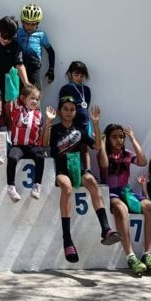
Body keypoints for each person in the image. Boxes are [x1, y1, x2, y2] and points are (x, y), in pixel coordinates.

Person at [43, 98, 118, 264]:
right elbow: (44, 143)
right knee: (67, 188)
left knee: (91, 181)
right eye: (66, 109)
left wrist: (96, 125)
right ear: (60, 111)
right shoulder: (55, 129)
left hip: (78, 169)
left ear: (75, 112)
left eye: (72, 109)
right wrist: (48, 122)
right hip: (61, 170)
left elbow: (97, 147)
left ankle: (105, 229)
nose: (69, 112)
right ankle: (67, 238)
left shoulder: (80, 130)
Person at [100, 123, 151, 275]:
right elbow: (104, 165)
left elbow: (143, 161)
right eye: (114, 137)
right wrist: (101, 143)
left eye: (121, 137)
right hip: (112, 192)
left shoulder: (126, 154)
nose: (119, 140)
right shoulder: (103, 152)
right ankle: (131, 256)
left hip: (126, 191)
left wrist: (132, 139)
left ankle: (148, 254)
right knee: (120, 209)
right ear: (107, 139)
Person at [0, 3, 55, 88]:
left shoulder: (41, 35)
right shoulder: (18, 31)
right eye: (27, 23)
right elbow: (0, 24)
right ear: (22, 22)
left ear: (38, 23)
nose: (30, 26)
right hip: (19, 67)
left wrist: (51, 70)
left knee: (36, 94)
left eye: (33, 24)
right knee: (18, 95)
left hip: (34, 68)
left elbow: (51, 52)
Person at [6, 85, 44, 202]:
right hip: (18, 146)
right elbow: (12, 97)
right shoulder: (17, 109)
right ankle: (11, 187)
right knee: (12, 157)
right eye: (32, 98)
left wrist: (41, 148)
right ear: (23, 99)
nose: (34, 101)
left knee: (40, 157)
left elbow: (40, 132)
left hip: (32, 147)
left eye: (37, 99)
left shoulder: (39, 114)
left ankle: (37, 185)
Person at [58, 61, 93, 137]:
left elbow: (86, 106)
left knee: (84, 147)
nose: (79, 78)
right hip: (72, 124)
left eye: (82, 76)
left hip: (85, 123)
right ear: (70, 75)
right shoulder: (65, 89)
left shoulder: (87, 90)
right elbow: (61, 108)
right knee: (73, 146)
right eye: (76, 75)